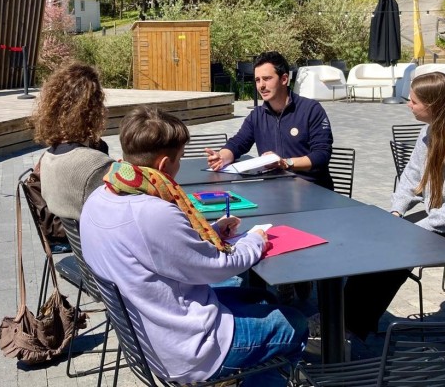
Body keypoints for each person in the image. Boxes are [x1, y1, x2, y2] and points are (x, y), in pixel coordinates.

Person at [80, 106, 307, 386]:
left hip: (148, 332)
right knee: (295, 323)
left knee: (265, 299)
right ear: (163, 165)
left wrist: (211, 232)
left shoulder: (100, 196)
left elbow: (157, 247)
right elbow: (217, 268)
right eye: (179, 160)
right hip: (189, 348)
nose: (179, 168)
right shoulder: (153, 212)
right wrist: (255, 241)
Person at [342, 71, 445, 349]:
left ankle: (350, 329)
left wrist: (414, 231)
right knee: (377, 241)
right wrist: (396, 213)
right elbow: (411, 178)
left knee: (398, 249)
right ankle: (343, 320)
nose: (409, 104)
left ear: (434, 105)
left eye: (414, 101)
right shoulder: (430, 131)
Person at [206, 51, 334, 190]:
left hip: (312, 190)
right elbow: (237, 143)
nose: (261, 85)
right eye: (257, 80)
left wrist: (286, 163)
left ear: (284, 79)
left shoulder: (311, 110)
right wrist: (222, 157)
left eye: (267, 79)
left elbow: (321, 155)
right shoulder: (257, 116)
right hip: (274, 190)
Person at [31, 62, 112, 221]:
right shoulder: (97, 164)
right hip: (94, 242)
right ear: (93, 108)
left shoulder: (47, 158)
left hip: (69, 239)